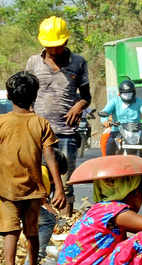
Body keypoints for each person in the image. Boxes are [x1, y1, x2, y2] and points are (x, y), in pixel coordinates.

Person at [0, 71, 66, 265]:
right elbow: (51, 158)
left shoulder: (1, 122)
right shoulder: (40, 123)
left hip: (6, 189)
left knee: (10, 233)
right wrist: (59, 188)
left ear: (9, 96)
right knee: (32, 231)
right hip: (34, 189)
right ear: (35, 96)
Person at [26, 16, 92, 217]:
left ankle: (64, 224)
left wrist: (79, 106)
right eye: (49, 46)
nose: (53, 50)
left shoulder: (78, 63)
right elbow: (26, 93)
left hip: (65, 134)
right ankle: (40, 223)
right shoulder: (33, 62)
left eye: (57, 46)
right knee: (39, 183)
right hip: (38, 134)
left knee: (65, 184)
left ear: (66, 41)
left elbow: (86, 96)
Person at [24, 149, 68, 265]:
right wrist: (52, 212)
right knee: (48, 221)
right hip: (24, 201)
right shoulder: (43, 173)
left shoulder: (34, 163)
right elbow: (39, 198)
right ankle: (33, 261)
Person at [100, 79, 142, 155]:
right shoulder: (114, 101)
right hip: (117, 130)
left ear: (134, 93)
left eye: (129, 93)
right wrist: (104, 121)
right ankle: (108, 163)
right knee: (110, 144)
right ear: (120, 93)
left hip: (136, 130)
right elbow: (105, 111)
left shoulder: (139, 101)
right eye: (124, 94)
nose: (127, 96)